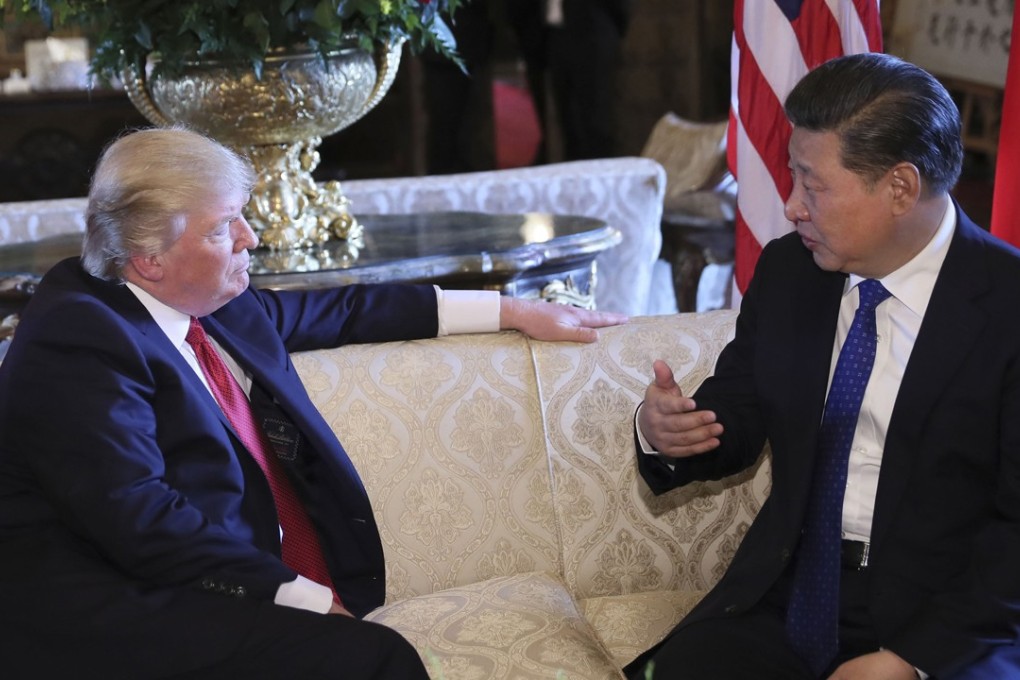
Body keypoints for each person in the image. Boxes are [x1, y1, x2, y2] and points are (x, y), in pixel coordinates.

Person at [0, 126, 627, 679]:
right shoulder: (78, 336)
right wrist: (299, 594)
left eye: (241, 215)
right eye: (223, 228)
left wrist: (512, 309)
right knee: (377, 659)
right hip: (111, 607)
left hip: (195, 584)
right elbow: (140, 519)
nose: (251, 238)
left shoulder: (209, 300)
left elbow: (345, 309)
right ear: (147, 258)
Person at [628, 52, 1020, 679]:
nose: (790, 206)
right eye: (791, 178)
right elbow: (737, 412)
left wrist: (911, 661)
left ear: (900, 187)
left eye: (813, 186)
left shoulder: (1007, 305)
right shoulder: (792, 273)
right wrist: (667, 430)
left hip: (950, 615)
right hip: (792, 588)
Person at [505, 0, 634, 162]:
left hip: (593, 33)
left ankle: (602, 178)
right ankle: (574, 176)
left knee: (597, 122)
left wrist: (614, 25)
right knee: (566, 122)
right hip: (551, 35)